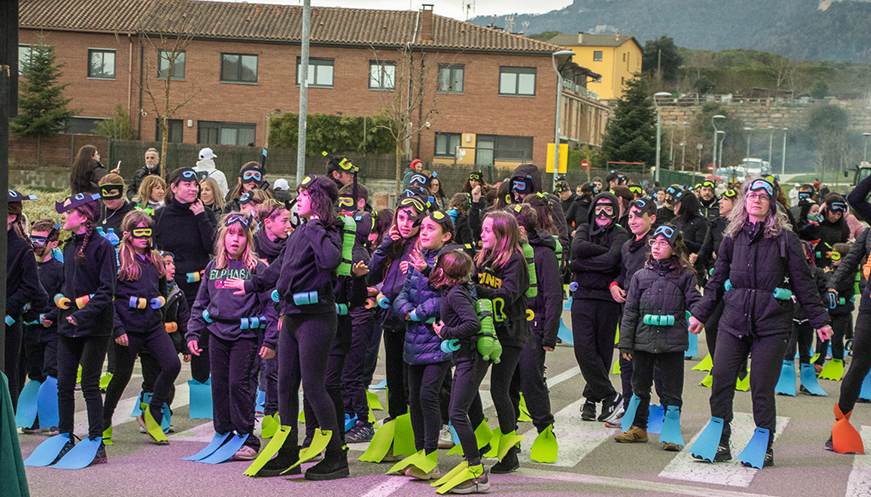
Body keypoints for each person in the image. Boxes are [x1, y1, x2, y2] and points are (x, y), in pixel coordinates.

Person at [688, 178, 832, 468]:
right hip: (733, 320)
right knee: (722, 380)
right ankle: (720, 440)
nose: (756, 200)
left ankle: (763, 444)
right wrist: (701, 314)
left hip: (772, 324)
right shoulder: (732, 236)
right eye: (752, 195)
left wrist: (819, 320)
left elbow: (804, 283)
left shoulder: (786, 239)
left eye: (763, 197)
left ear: (771, 203)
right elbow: (716, 281)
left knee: (761, 387)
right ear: (745, 201)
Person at [227, 175, 347, 480]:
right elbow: (282, 265)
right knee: (284, 386)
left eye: (305, 194)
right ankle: (288, 452)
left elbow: (331, 260)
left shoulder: (330, 229)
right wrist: (251, 284)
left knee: (314, 386)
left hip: (317, 316)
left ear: (318, 199)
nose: (298, 199)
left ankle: (336, 457)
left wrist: (317, 226)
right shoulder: (301, 231)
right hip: (292, 315)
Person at [187, 212, 278, 461]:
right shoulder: (213, 267)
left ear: (248, 239)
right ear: (223, 238)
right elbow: (200, 303)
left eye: (241, 235)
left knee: (240, 384)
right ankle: (224, 433)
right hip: (217, 334)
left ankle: (247, 436)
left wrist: (270, 340)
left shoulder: (257, 269)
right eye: (231, 234)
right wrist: (193, 332)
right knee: (220, 385)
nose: (235, 240)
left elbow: (270, 307)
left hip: (245, 336)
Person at [44, 193, 116, 467]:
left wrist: (81, 315)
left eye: (68, 212)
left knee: (88, 384)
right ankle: (64, 437)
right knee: (64, 384)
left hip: (94, 327)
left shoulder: (102, 247)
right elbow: (67, 288)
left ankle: (96, 443)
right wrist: (55, 312)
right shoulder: (70, 246)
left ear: (83, 216)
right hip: (67, 325)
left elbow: (107, 290)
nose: (64, 216)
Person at [615, 224, 701, 448]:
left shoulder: (685, 275)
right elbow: (630, 311)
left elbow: (694, 300)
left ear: (674, 249)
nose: (657, 247)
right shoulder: (640, 276)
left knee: (672, 390)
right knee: (639, 386)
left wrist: (698, 316)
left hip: (672, 342)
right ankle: (638, 428)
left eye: (664, 243)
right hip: (643, 341)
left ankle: (671, 431)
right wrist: (625, 344)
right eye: (654, 242)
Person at [102, 210, 181, 445]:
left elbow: (161, 290)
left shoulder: (155, 259)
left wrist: (158, 303)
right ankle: (104, 422)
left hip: (152, 325)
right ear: (127, 235)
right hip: (127, 327)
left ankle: (152, 413)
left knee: (172, 365)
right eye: (139, 235)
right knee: (121, 377)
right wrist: (117, 329)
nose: (144, 240)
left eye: (148, 234)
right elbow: (110, 297)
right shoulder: (119, 259)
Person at [391, 211, 456, 479]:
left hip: (437, 341)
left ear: (447, 236)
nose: (424, 232)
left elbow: (448, 294)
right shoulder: (416, 259)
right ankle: (420, 455)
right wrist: (406, 311)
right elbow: (402, 294)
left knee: (428, 396)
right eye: (423, 228)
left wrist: (418, 313)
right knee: (414, 399)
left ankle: (431, 459)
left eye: (431, 228)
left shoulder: (452, 261)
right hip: (413, 340)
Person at [473, 211, 530, 474]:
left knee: (500, 391)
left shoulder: (515, 260)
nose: (482, 234)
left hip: (510, 333)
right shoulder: (483, 257)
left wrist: (473, 289)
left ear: (502, 234)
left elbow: (505, 296)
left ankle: (509, 453)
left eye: (487, 230)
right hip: (486, 330)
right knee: (468, 385)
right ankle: (481, 439)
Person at [432, 250, 491, 494]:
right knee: (457, 412)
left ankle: (477, 472)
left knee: (457, 413)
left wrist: (445, 332)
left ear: (446, 271)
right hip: (467, 357)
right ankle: (473, 464)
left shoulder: (455, 293)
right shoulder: (456, 289)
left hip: (471, 357)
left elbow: (472, 324)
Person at [153, 168, 218, 389]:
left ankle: (202, 391)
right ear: (174, 187)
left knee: (201, 340)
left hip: (198, 287)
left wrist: (201, 216)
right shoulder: (161, 215)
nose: (193, 189)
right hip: (170, 288)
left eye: (195, 185)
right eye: (187, 184)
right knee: (168, 341)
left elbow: (214, 247)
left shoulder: (205, 213)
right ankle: (160, 398)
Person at [367, 196, 425, 437]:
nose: (405, 224)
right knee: (394, 382)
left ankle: (419, 430)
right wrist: (384, 246)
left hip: (413, 324)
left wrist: (416, 273)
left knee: (411, 383)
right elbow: (372, 276)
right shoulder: (393, 244)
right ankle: (398, 427)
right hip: (391, 322)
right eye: (401, 218)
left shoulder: (422, 247)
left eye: (411, 219)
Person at [571, 192, 628, 424]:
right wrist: (599, 259)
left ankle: (592, 399)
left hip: (607, 299)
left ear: (615, 212)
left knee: (602, 352)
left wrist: (579, 264)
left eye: (609, 209)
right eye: (599, 209)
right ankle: (610, 395)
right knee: (584, 350)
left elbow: (613, 259)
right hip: (583, 296)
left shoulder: (620, 233)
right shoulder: (584, 228)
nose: (603, 214)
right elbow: (577, 247)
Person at [510, 202, 560, 443]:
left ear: (520, 229)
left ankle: (544, 428)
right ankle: (508, 434)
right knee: (507, 384)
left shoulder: (543, 254)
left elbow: (552, 294)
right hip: (508, 326)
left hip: (534, 326)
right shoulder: (504, 254)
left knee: (531, 380)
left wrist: (550, 334)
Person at [609, 198, 657, 422]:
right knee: (626, 362)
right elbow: (623, 273)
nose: (633, 220)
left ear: (652, 218)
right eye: (630, 216)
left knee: (651, 367)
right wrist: (614, 285)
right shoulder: (627, 246)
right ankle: (629, 408)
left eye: (639, 215)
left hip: (650, 315)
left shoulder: (656, 245)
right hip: (627, 313)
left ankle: (658, 411)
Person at [19, 218, 63, 434]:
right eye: (32, 237)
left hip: (52, 330)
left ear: (53, 243)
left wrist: (52, 316)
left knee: (51, 371)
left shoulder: (60, 270)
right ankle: (32, 419)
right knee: (34, 373)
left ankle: (53, 420)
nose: (35, 243)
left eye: (40, 239)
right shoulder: (26, 265)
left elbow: (66, 298)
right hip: (29, 328)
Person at [5, 191, 46, 410]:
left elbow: (31, 286)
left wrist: (9, 312)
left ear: (11, 217)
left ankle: (7, 427)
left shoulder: (22, 248)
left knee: (9, 374)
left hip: (9, 324)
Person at [813, 194, 850, 269]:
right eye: (833, 213)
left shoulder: (843, 227)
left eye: (839, 214)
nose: (836, 217)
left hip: (835, 267)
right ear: (826, 208)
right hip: (816, 266)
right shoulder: (816, 224)